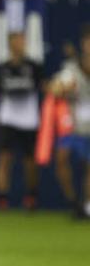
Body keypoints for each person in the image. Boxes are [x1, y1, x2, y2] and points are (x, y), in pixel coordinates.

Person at [0, 31, 44, 210]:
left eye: (23, 40)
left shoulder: (34, 67)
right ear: (10, 43)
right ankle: (2, 199)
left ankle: (31, 197)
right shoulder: (1, 68)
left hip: (29, 121)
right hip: (8, 119)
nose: (21, 43)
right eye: (18, 40)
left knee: (30, 162)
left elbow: (45, 88)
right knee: (4, 159)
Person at [50, 29, 90, 218]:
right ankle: (74, 201)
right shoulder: (72, 69)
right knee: (61, 158)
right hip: (73, 126)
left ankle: (87, 206)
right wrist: (62, 89)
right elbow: (55, 87)